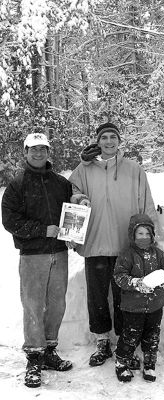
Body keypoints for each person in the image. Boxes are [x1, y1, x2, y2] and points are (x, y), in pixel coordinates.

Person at [68, 122, 158, 369]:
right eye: (104, 138)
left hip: (124, 247)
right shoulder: (84, 169)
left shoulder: (133, 170)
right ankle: (101, 341)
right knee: (97, 295)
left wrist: (150, 235)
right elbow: (72, 192)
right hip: (94, 243)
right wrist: (78, 198)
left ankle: (124, 342)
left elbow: (146, 203)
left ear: (119, 142)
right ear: (98, 141)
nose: (108, 142)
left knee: (125, 297)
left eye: (113, 137)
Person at [1, 133, 73, 388]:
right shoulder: (17, 185)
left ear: (48, 151)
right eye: (34, 149)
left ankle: (50, 350)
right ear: (26, 152)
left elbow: (72, 212)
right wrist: (42, 230)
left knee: (57, 304)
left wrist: (73, 231)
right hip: (33, 256)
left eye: (43, 149)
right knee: (32, 306)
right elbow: (10, 221)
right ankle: (34, 355)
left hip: (59, 253)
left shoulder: (61, 183)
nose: (39, 153)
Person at [114, 213, 164, 383]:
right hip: (133, 306)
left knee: (152, 335)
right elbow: (119, 276)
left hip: (155, 305)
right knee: (130, 335)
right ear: (133, 235)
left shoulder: (158, 254)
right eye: (140, 233)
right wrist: (136, 283)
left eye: (147, 234)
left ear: (152, 235)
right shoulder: (127, 255)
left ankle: (149, 364)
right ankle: (122, 363)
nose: (144, 237)